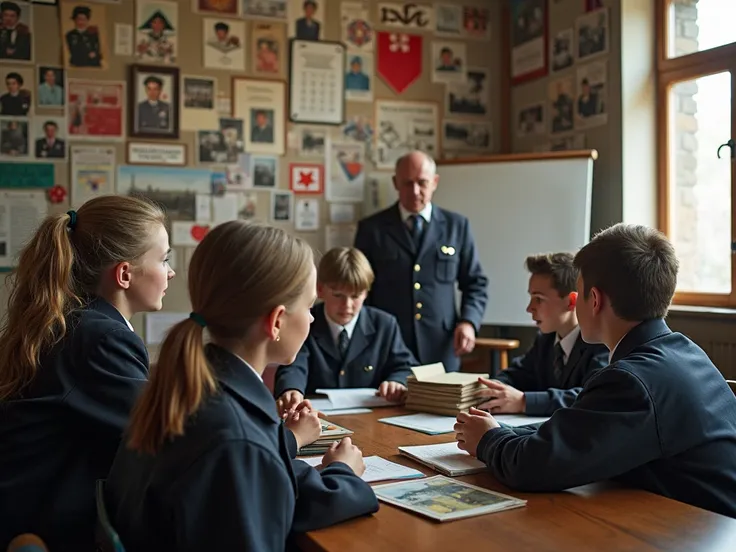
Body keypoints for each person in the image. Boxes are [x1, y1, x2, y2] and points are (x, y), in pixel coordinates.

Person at [105, 221, 379, 549]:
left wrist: (337, 477)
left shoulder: (191, 386)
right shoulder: (234, 437)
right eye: (308, 307)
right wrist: (345, 475)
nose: (312, 318)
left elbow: (264, 487)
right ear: (276, 321)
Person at [454, 223, 736, 519]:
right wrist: (503, 431)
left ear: (595, 300)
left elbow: (533, 468)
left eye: (578, 292)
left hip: (711, 534)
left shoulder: (632, 381)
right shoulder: (683, 351)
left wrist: (488, 440)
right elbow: (582, 427)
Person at [0, 196, 175, 551]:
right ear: (125, 274)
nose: (170, 271)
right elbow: (163, 440)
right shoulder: (101, 338)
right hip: (41, 525)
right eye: (164, 259)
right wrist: (288, 441)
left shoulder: (81, 324)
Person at [354, 150, 488, 373]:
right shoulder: (372, 229)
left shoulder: (457, 226)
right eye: (407, 183)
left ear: (435, 182)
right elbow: (359, 289)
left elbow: (476, 283)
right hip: (388, 347)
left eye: (422, 183)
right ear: (396, 183)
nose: (415, 191)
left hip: (441, 346)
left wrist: (468, 322)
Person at [274, 247, 417, 414]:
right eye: (338, 295)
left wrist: (396, 381)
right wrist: (291, 390)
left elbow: (405, 366)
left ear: (366, 293)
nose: (347, 305)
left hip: (372, 418)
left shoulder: (384, 324)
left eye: (355, 296)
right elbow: (294, 366)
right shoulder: (306, 321)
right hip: (317, 417)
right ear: (320, 290)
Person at [476, 253, 607, 417]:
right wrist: (495, 388)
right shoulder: (545, 340)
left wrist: (523, 401)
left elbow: (591, 397)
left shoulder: (600, 342)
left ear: (571, 301)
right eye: (530, 297)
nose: (529, 308)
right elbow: (517, 374)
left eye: (538, 299)